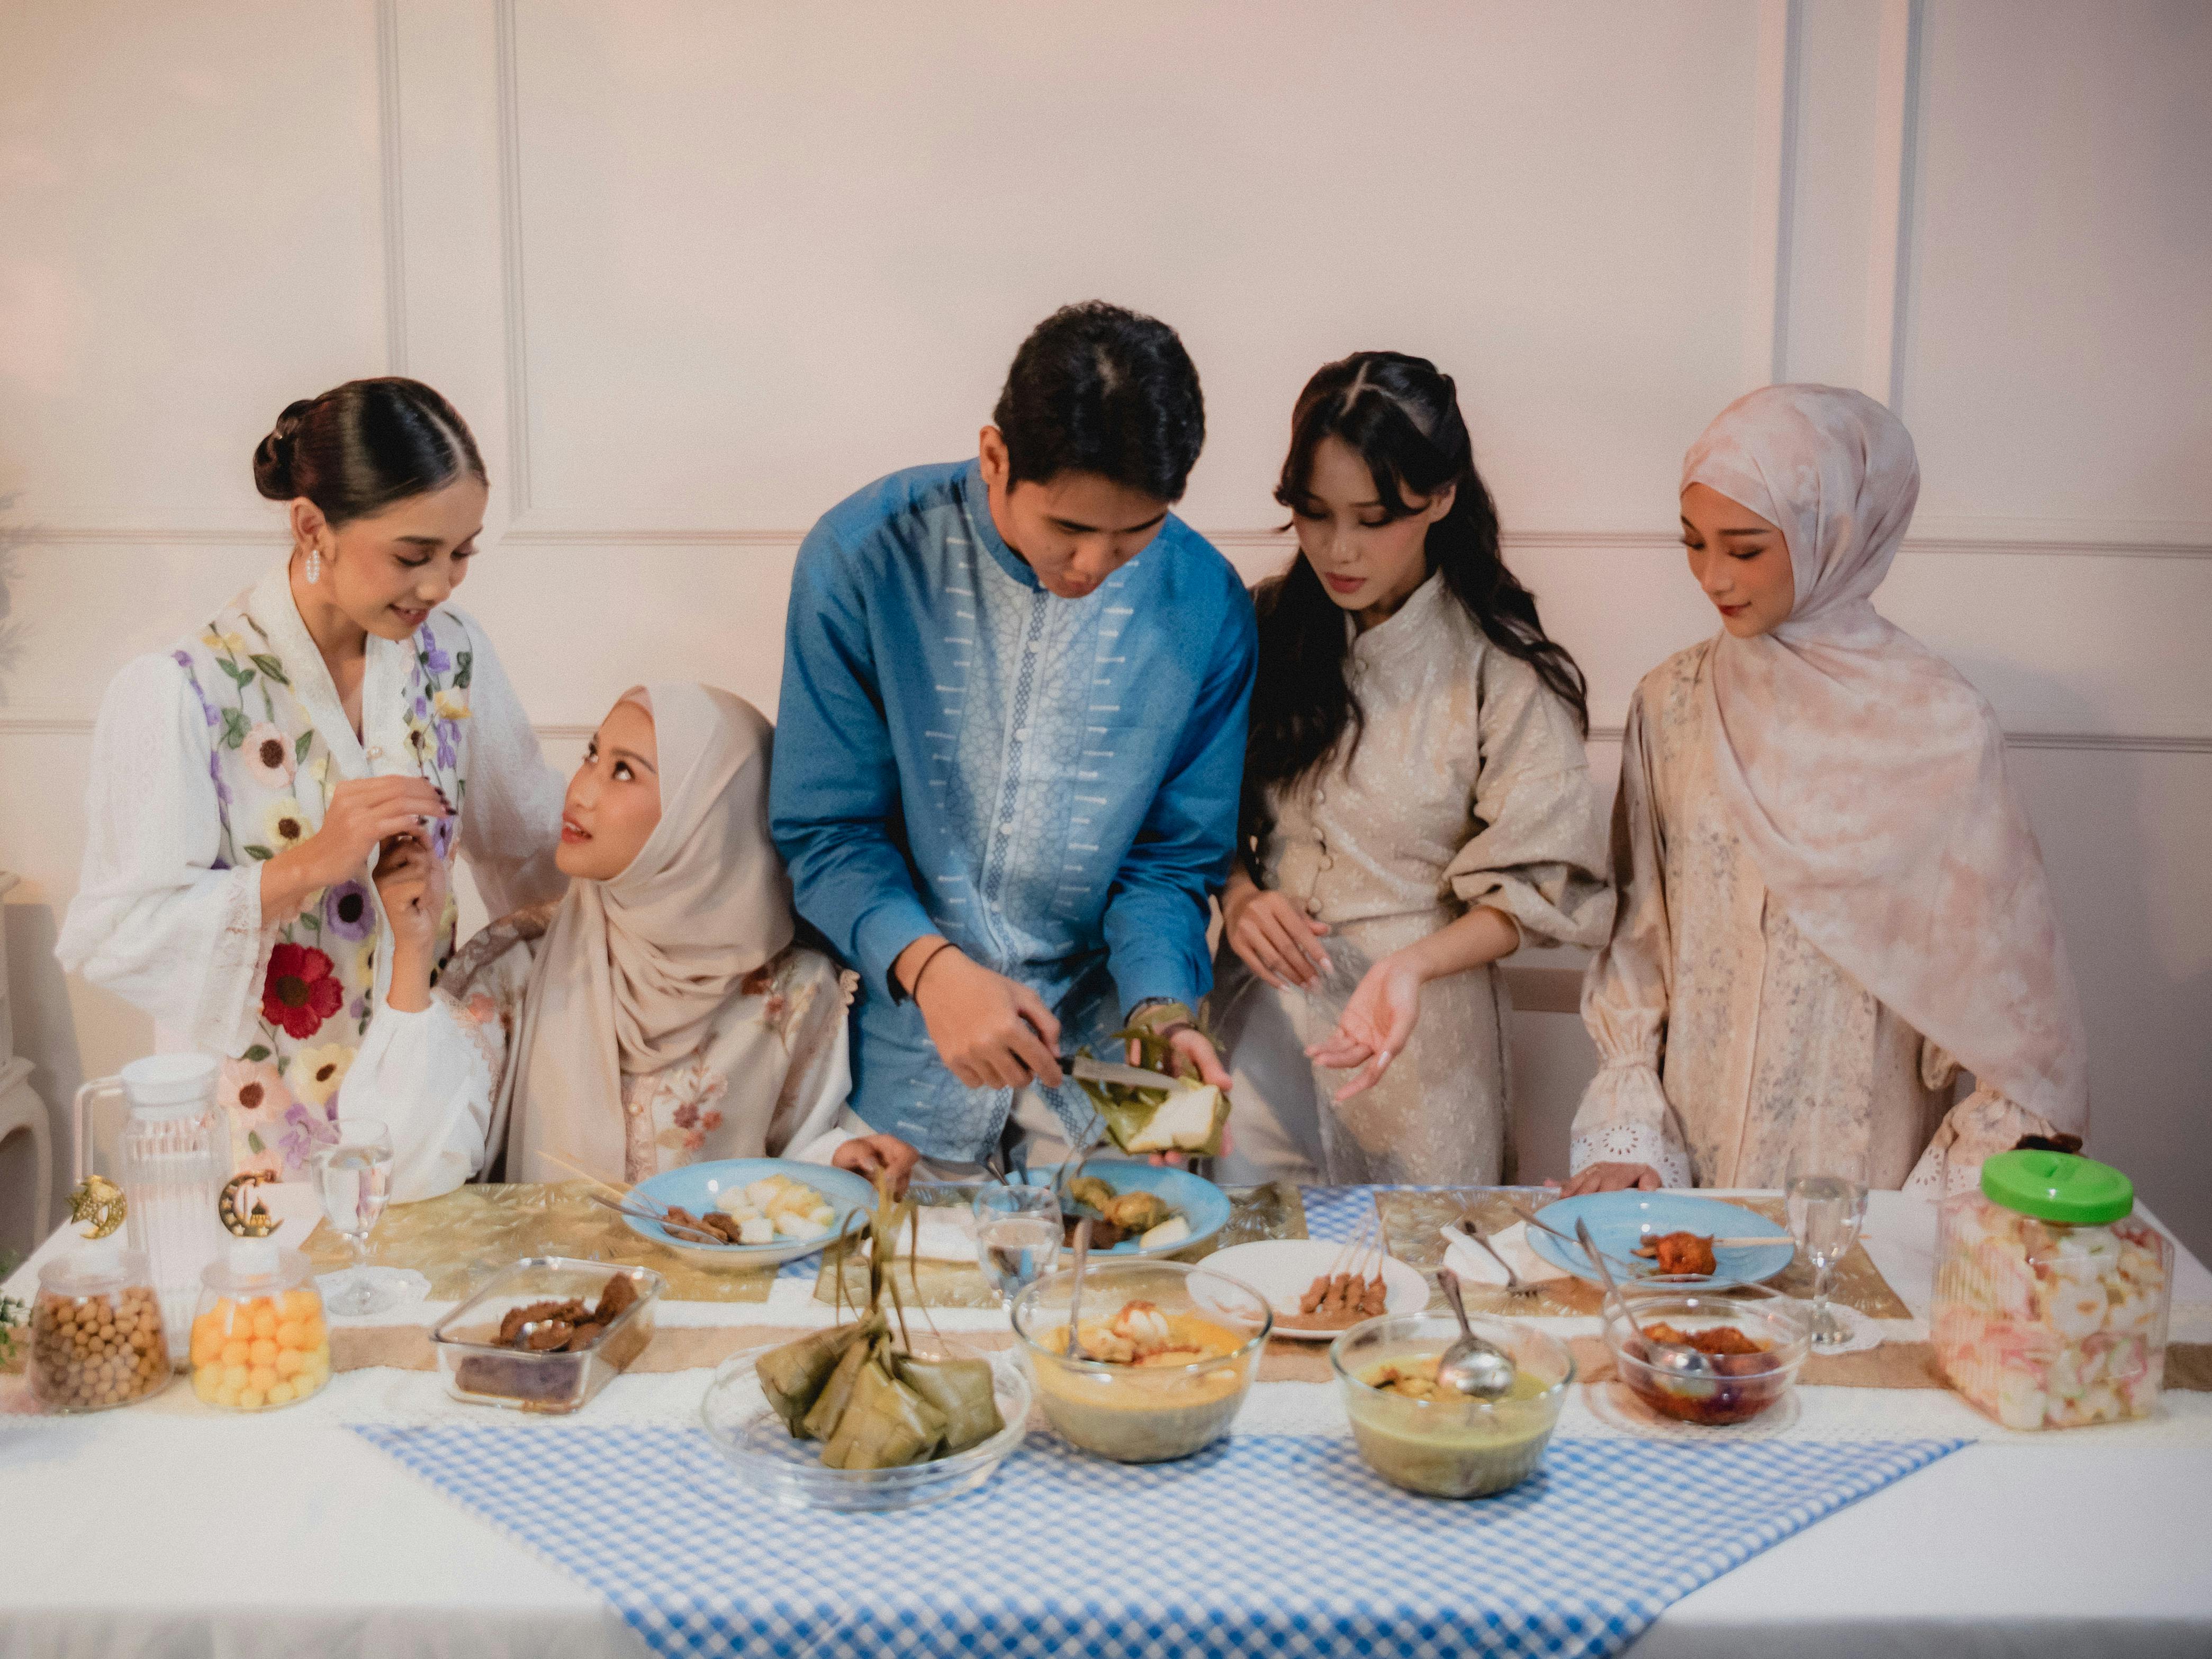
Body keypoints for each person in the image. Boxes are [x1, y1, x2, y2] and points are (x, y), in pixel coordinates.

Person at [769, 301, 1256, 1169]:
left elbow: (1170, 862)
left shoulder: (1204, 601)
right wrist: (933, 970)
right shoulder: (863, 557)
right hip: (909, 1026)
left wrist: (1159, 1005)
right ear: (994, 457)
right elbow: (828, 829)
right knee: (907, 1286)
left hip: (1111, 1057)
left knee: (1123, 1289)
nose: (1093, 566)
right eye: (1067, 528)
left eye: (1133, 534)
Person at [1567, 384, 2087, 1197]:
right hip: (1683, 1177)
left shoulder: (1939, 728)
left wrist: (1927, 1220)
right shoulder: (1669, 704)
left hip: (1858, 1177)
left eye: (1743, 549)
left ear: (1835, 534)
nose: (1712, 577)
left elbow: (2008, 1021)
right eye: (1693, 543)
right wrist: (1628, 1135)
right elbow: (1639, 943)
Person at [58, 379, 565, 1179]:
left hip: (428, 1113)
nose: (438, 585)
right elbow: (117, 934)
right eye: (412, 554)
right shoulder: (183, 691)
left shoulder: (455, 657)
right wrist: (311, 863)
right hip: (254, 1138)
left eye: (461, 553)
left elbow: (534, 850)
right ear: (310, 526)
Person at [1211, 352, 1611, 1185]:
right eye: (1314, 513)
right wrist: (1241, 892)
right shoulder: (1259, 626)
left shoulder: (1499, 668)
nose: (1337, 547)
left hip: (1420, 1034)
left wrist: (1412, 965)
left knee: (1411, 1290)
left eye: (1372, 515)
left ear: (1440, 496)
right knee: (1241, 1281)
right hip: (1261, 1023)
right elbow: (1187, 810)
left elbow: (1537, 886)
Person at [346, 683, 918, 1202]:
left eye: (625, 772)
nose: (582, 790)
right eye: (592, 754)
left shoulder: (796, 991)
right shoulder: (518, 962)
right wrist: (414, 951)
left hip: (717, 1304)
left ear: (705, 817)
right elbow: (402, 1168)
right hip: (554, 1301)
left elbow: (798, 1165)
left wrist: (841, 1162)